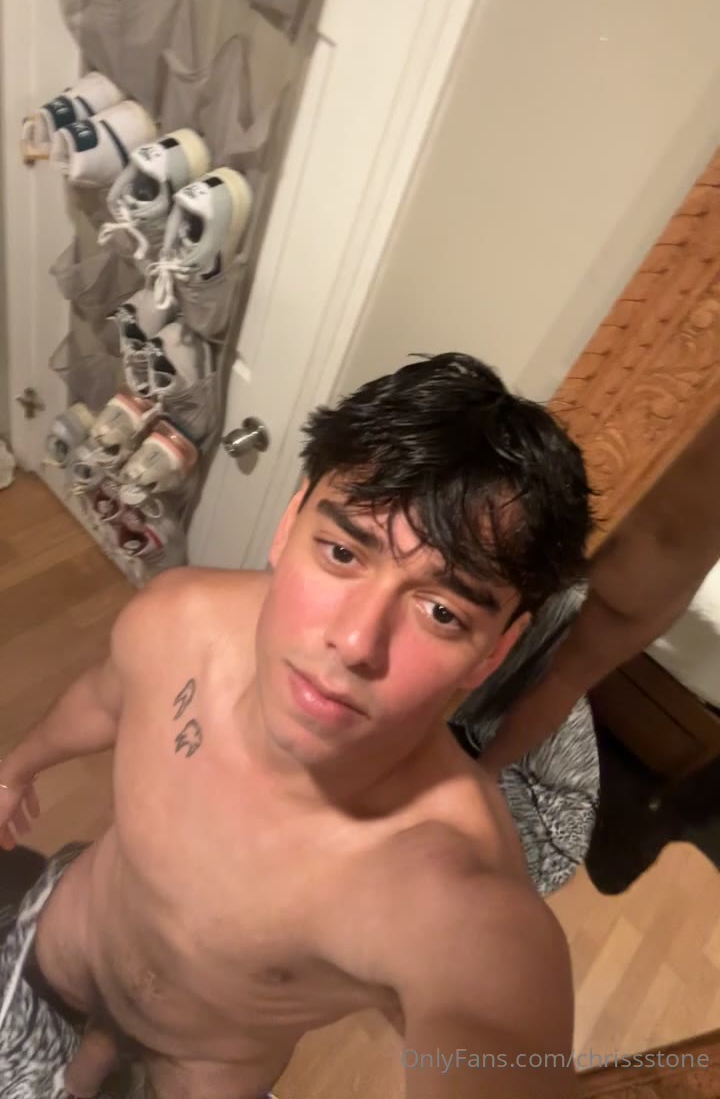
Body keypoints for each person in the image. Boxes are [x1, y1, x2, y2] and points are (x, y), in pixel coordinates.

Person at [0, 352, 592, 1099]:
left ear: (494, 651)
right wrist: (15, 769)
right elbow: (104, 698)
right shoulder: (175, 621)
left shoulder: (449, 886)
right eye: (343, 552)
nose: (355, 641)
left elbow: (497, 1031)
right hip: (50, 965)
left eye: (442, 611)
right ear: (288, 526)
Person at [481, 409, 720, 774]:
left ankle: (411, 730)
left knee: (483, 613)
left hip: (598, 494)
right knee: (563, 683)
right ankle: (483, 772)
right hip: (660, 562)